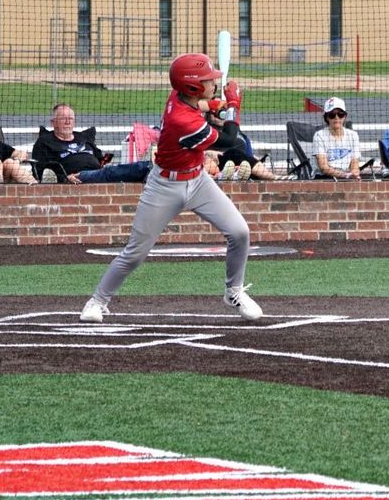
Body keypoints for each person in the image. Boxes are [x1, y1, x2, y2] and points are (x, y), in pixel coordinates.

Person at [80, 53, 262, 324]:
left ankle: (234, 291)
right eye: (208, 80)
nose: (213, 82)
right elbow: (230, 141)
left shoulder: (178, 96)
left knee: (239, 232)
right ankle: (97, 301)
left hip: (199, 181)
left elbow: (202, 104)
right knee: (135, 252)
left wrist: (218, 103)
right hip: (164, 187)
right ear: (192, 86)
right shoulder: (183, 121)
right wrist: (233, 106)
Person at [32, 104, 151, 184]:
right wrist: (63, 178)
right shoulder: (46, 142)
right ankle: (148, 168)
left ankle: (148, 171)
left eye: (71, 119)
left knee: (113, 170)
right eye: (63, 118)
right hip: (77, 176)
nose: (68, 122)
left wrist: (104, 161)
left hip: (97, 172)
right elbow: (40, 170)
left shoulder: (83, 137)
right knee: (111, 172)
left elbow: (100, 159)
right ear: (53, 122)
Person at [312, 96, 362, 178]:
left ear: (345, 116)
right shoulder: (319, 136)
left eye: (340, 114)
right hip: (324, 178)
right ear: (326, 117)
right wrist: (344, 175)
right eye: (332, 115)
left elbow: (355, 165)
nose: (336, 118)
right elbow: (323, 167)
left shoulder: (353, 135)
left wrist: (353, 173)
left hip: (346, 177)